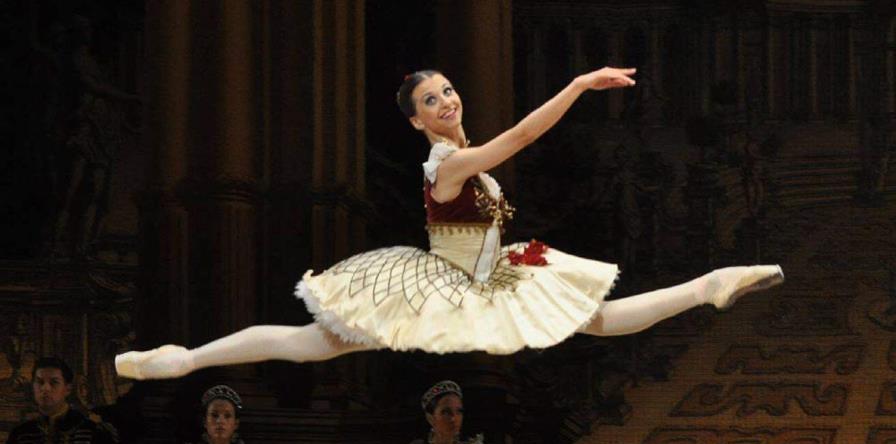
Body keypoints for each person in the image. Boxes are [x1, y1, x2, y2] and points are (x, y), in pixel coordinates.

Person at [114, 66, 784, 380]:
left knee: (599, 320)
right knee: (315, 343)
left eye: (447, 91)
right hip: (449, 282)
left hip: (494, 273)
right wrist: (579, 87)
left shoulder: (464, 164)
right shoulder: (450, 161)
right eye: (430, 101)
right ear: (416, 120)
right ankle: (184, 359)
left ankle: (709, 286)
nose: (445, 101)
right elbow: (521, 135)